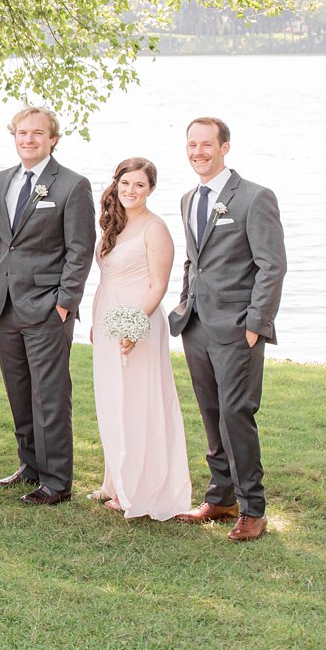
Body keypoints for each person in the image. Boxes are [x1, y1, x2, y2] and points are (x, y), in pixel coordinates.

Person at [168, 117, 286, 541]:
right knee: (211, 412)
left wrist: (256, 324)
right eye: (191, 145)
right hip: (196, 325)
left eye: (206, 144)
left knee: (237, 414)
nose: (198, 152)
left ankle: (253, 509)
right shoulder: (188, 199)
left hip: (238, 328)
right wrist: (184, 305)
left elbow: (272, 266)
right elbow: (192, 260)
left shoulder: (254, 198)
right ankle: (221, 497)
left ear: (225, 147)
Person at [0, 105, 95, 506]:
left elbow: (81, 250)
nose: (28, 140)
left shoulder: (71, 185)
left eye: (37, 134)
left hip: (48, 307)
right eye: (21, 133)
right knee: (18, 390)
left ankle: (57, 480)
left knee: (50, 394)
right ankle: (29, 465)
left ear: (53, 139)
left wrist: (65, 303)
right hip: (5, 306)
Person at [87, 158, 192, 519]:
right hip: (107, 315)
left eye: (140, 185)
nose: (131, 191)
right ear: (116, 185)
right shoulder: (112, 226)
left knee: (136, 400)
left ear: (150, 190)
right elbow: (106, 277)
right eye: (126, 184)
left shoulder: (155, 228)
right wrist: (97, 318)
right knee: (111, 398)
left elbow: (159, 285)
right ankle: (114, 480)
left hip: (138, 318)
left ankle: (139, 487)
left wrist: (133, 324)